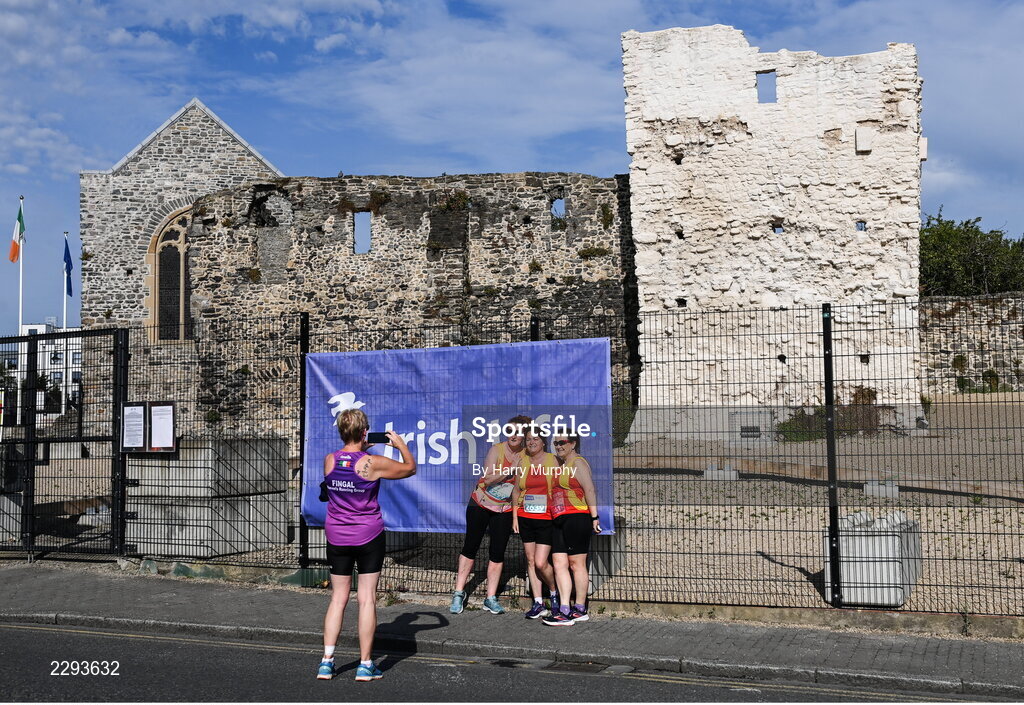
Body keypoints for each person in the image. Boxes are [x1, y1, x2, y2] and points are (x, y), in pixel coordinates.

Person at [317, 409, 416, 682]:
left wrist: (358, 445)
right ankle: (365, 664)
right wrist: (400, 445)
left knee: (338, 598)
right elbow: (410, 468)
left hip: (336, 535)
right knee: (366, 599)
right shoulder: (372, 462)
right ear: (364, 433)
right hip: (368, 535)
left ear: (341, 432)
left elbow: (340, 472)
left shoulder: (330, 460)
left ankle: (327, 661)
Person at [451, 415, 531, 615]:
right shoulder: (497, 450)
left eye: (517, 432)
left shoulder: (526, 455)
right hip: (481, 503)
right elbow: (487, 479)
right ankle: (459, 592)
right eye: (509, 431)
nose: (512, 435)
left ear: (524, 435)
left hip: (503, 509)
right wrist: (510, 470)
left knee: (497, 552)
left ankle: (490, 597)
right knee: (471, 546)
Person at [543, 432, 601, 626]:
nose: (558, 446)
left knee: (577, 564)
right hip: (558, 518)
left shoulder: (578, 463)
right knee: (559, 563)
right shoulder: (562, 466)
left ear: (573, 443)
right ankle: (564, 609)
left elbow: (590, 490)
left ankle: (580, 608)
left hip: (577, 517)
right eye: (555, 443)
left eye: (562, 442)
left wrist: (594, 517)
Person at [511, 429, 561, 619]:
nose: (531, 442)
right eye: (529, 439)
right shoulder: (523, 462)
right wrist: (515, 517)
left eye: (536, 439)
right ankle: (538, 602)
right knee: (530, 561)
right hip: (525, 516)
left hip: (546, 517)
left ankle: (554, 592)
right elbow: (516, 491)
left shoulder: (553, 460)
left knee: (541, 562)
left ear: (543, 442)